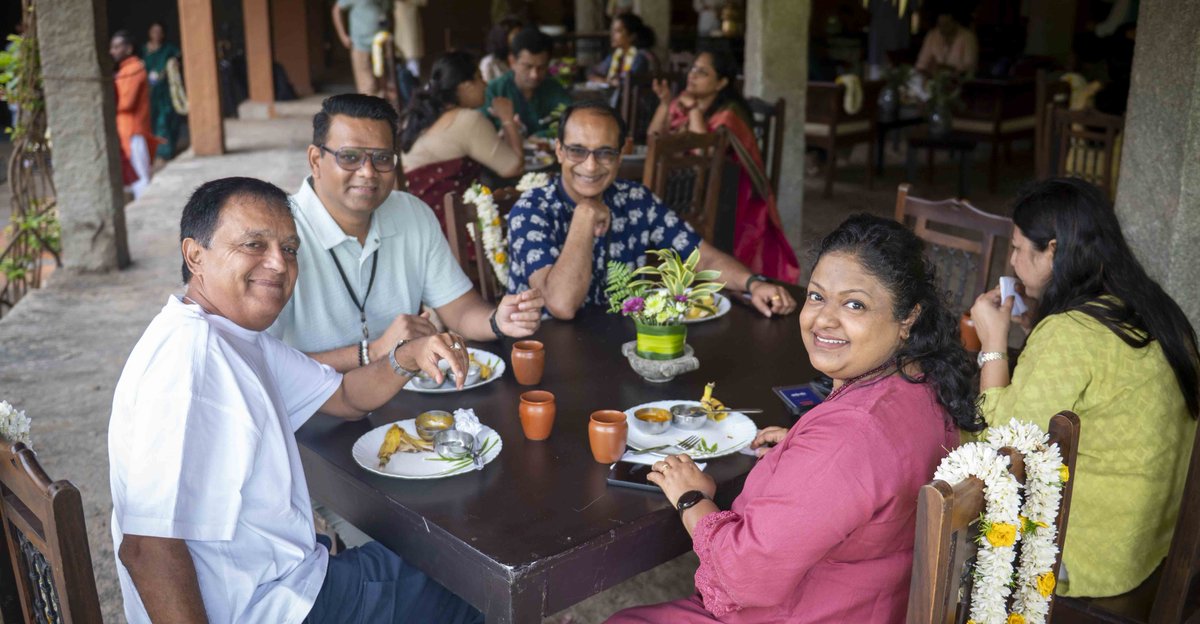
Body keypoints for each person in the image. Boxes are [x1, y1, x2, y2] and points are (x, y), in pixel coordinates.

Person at [110, 176, 482, 624]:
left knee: (437, 558)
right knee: (468, 577)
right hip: (270, 608)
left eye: (289, 249)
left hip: (282, 582)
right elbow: (148, 548)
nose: (278, 264)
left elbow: (344, 396)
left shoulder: (234, 336)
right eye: (253, 244)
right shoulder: (189, 362)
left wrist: (407, 357)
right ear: (195, 256)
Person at [608, 214, 982, 623]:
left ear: (908, 317)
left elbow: (744, 575)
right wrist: (801, 451)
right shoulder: (922, 384)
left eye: (855, 304)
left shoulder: (848, 440)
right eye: (817, 296)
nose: (823, 319)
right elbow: (864, 472)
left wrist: (692, 498)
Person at [970, 178, 1199, 599]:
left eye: (1020, 248)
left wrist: (993, 344)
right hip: (1154, 541)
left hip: (1089, 557)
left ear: (1054, 251)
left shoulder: (1069, 333)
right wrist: (1036, 331)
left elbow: (1001, 449)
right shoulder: (1155, 308)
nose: (1012, 260)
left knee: (943, 496)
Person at [506, 101, 796, 320]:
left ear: (621, 154)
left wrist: (753, 284)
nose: (591, 165)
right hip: (545, 358)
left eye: (605, 152)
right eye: (577, 151)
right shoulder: (531, 211)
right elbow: (561, 305)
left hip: (621, 349)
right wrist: (584, 215)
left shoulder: (636, 200)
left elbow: (699, 255)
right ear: (559, 151)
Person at [646, 47, 801, 282]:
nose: (692, 75)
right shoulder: (685, 101)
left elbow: (703, 153)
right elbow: (653, 138)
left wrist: (694, 111)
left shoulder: (729, 114)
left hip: (728, 195)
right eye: (692, 69)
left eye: (702, 72)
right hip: (693, 184)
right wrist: (666, 104)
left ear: (721, 83)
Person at [401, 51, 523, 223]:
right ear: (466, 86)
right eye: (480, 78)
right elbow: (514, 167)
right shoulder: (467, 119)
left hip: (418, 223)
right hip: (450, 231)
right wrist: (507, 119)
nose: (485, 84)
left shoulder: (420, 116)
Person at [482, 27, 572, 137]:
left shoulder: (554, 89)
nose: (534, 75)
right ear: (512, 61)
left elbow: (570, 123)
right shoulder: (494, 91)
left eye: (541, 67)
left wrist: (539, 136)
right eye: (528, 67)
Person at [111, 30, 159, 199]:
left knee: (140, 178)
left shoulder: (134, 69)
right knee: (135, 179)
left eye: (117, 47)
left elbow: (126, 103)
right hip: (126, 132)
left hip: (133, 133)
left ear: (129, 48)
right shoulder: (125, 71)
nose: (113, 51)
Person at [142, 21, 182, 161]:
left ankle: (165, 152)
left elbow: (178, 56)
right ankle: (155, 151)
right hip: (149, 91)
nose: (156, 35)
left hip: (165, 91)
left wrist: (174, 63)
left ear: (163, 34)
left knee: (165, 120)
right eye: (154, 31)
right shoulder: (144, 50)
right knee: (152, 121)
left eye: (159, 32)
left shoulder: (169, 49)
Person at [332, 0, 389, 96]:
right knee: (368, 86)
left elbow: (385, 15)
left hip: (380, 45)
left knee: (383, 86)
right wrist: (343, 36)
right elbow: (336, 10)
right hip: (361, 45)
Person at [588, 14, 655, 87]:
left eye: (618, 31)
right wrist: (605, 80)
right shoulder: (616, 55)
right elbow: (593, 71)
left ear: (632, 36)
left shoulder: (640, 57)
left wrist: (609, 81)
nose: (612, 35)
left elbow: (628, 81)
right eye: (612, 30)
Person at [914, 9, 978, 75]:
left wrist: (949, 68)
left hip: (959, 80)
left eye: (946, 24)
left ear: (956, 23)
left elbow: (970, 66)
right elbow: (921, 63)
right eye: (940, 24)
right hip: (934, 79)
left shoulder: (968, 37)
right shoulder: (932, 35)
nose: (942, 28)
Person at [480, 16, 523, 82]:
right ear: (503, 36)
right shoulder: (489, 63)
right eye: (516, 34)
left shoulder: (521, 58)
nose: (521, 38)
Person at [393, 0, 426, 77]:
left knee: (412, 58)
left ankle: (414, 83)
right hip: (398, 26)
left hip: (410, 25)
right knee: (400, 59)